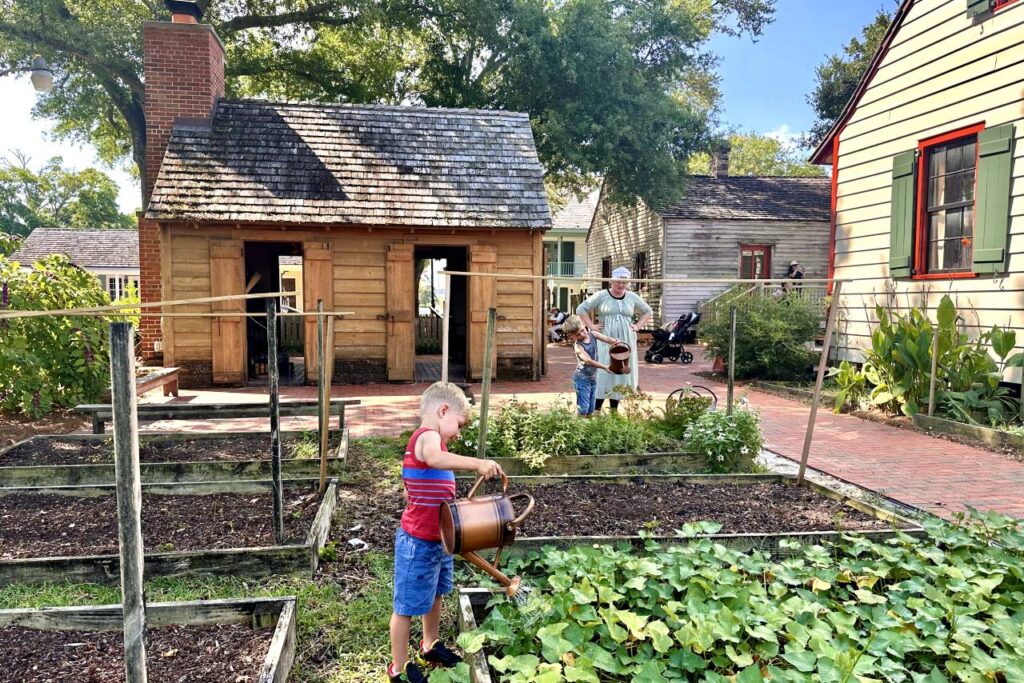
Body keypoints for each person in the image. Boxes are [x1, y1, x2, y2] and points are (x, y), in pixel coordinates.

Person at [388, 382, 504, 683]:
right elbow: (434, 459)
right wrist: (478, 463)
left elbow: (422, 483)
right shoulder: (427, 438)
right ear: (443, 411)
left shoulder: (438, 446)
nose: (459, 433)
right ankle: (398, 670)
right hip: (417, 544)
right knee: (405, 607)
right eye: (460, 425)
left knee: (436, 595)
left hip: (439, 542)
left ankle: (429, 645)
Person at [575, 267, 653, 413]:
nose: (621, 285)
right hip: (606, 337)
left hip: (626, 338)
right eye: (618, 282)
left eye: (624, 282)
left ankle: (614, 409)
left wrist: (638, 325)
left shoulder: (631, 296)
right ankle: (597, 407)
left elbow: (648, 311)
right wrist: (591, 326)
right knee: (605, 368)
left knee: (621, 367)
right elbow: (581, 309)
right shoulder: (602, 295)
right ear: (612, 281)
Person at [562, 315, 620, 417]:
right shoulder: (578, 346)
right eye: (577, 334)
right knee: (583, 407)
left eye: (582, 330)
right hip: (582, 379)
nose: (582, 334)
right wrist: (605, 367)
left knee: (591, 407)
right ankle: (580, 426)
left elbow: (605, 338)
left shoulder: (593, 334)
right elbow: (588, 360)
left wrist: (615, 341)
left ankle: (588, 427)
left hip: (592, 377)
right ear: (572, 336)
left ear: (584, 325)